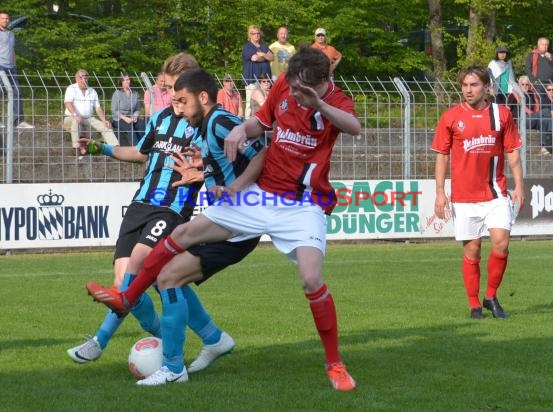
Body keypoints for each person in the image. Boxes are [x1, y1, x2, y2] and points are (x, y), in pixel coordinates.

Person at [86, 47, 360, 391]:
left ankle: (334, 364)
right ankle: (129, 299)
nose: (293, 94)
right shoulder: (279, 89)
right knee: (184, 233)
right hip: (259, 195)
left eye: (302, 89)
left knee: (310, 277)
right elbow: (258, 126)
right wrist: (241, 132)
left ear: (323, 83)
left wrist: (317, 103)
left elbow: (354, 127)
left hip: (303, 204)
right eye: (290, 86)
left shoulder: (335, 101)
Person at [67, 54, 238, 375]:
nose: (171, 95)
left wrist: (202, 173)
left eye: (175, 88)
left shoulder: (203, 123)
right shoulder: (160, 119)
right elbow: (139, 153)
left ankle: (99, 341)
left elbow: (219, 160)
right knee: (149, 279)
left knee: (139, 265)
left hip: (173, 207)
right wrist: (99, 148)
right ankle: (203, 337)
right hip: (140, 204)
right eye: (167, 88)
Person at [431, 65, 524, 320]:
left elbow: (513, 152)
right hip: (464, 196)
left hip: (496, 193)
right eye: (465, 85)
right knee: (472, 250)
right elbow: (441, 156)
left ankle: (491, 296)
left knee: (501, 243)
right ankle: (474, 304)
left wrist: (520, 186)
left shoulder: (501, 114)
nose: (468, 90)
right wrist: (440, 192)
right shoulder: (450, 117)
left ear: (486, 87)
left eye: (474, 85)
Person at [63, 69, 118, 155]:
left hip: (88, 118)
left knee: (105, 126)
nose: (84, 80)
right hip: (71, 117)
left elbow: (98, 108)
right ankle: (77, 148)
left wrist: (104, 120)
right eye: (81, 78)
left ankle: (115, 148)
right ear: (76, 79)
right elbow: (68, 103)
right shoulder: (71, 88)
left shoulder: (92, 91)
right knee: (76, 122)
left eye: (86, 78)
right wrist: (75, 115)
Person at [0, 11, 33, 129]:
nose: (5, 20)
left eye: (7, 18)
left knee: (17, 92)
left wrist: (14, 65)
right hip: (0, 66)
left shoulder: (11, 34)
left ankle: (19, 121)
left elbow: (12, 50)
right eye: (3, 18)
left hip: (11, 68)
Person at [507, 75, 553, 154]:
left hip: (532, 119)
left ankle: (543, 146)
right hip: (521, 120)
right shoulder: (514, 95)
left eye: (527, 84)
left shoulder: (531, 94)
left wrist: (534, 93)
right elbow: (507, 109)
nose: (525, 86)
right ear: (519, 85)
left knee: (544, 120)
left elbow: (536, 108)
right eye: (522, 84)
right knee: (546, 111)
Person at [242, 25, 273, 119]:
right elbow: (254, 58)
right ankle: (248, 123)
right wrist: (265, 56)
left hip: (265, 80)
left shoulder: (264, 46)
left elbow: (272, 57)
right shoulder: (247, 47)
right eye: (254, 33)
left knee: (265, 102)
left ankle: (265, 121)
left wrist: (262, 54)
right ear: (249, 35)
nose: (256, 35)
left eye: (258, 33)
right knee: (249, 105)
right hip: (252, 79)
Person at [111, 73, 145, 146]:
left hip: (131, 117)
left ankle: (143, 147)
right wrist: (125, 118)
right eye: (124, 80)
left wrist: (135, 116)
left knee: (142, 124)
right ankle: (135, 149)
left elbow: (137, 109)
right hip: (119, 118)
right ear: (121, 82)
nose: (127, 81)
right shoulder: (117, 93)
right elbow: (114, 110)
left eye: (128, 79)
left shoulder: (135, 94)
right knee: (130, 127)